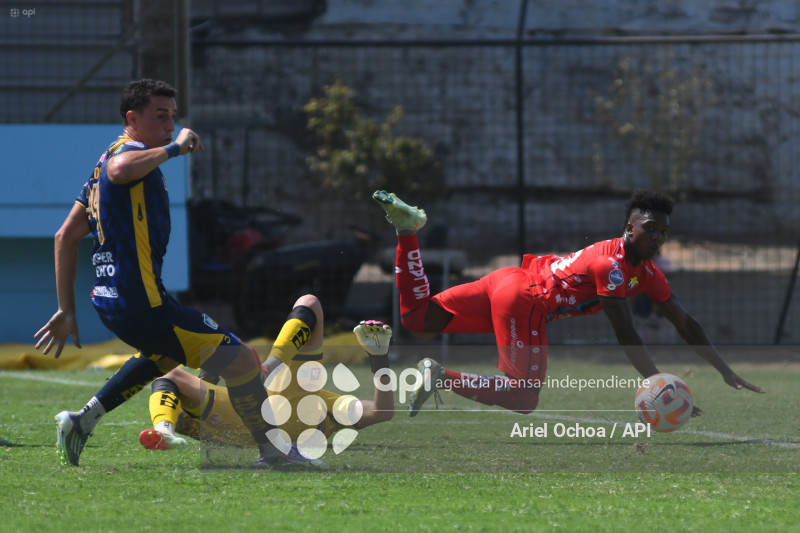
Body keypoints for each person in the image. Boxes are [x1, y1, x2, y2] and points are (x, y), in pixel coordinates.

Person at [33, 79, 310, 467]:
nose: (169, 124)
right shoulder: (125, 157)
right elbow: (121, 169)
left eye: (172, 118)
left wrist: (67, 310)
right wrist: (175, 147)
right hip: (143, 303)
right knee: (244, 359)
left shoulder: (99, 171)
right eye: (160, 116)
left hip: (114, 302)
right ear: (132, 118)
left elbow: (65, 236)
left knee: (162, 357)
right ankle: (276, 454)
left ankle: (81, 421)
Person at [371, 189, 765, 416]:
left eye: (663, 232)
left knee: (417, 318)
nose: (657, 239)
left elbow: (685, 322)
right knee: (524, 397)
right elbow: (624, 330)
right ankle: (440, 377)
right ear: (629, 228)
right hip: (525, 300)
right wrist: (659, 385)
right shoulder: (612, 266)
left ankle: (407, 229)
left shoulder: (646, 272)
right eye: (650, 230)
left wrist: (724, 370)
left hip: (508, 280)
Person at [139, 294, 394, 452]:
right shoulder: (331, 408)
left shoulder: (221, 403)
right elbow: (383, 412)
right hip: (290, 423)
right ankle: (268, 368)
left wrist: (212, 372)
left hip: (240, 421)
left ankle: (164, 430)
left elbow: (180, 390)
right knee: (310, 303)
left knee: (170, 377)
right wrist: (379, 357)